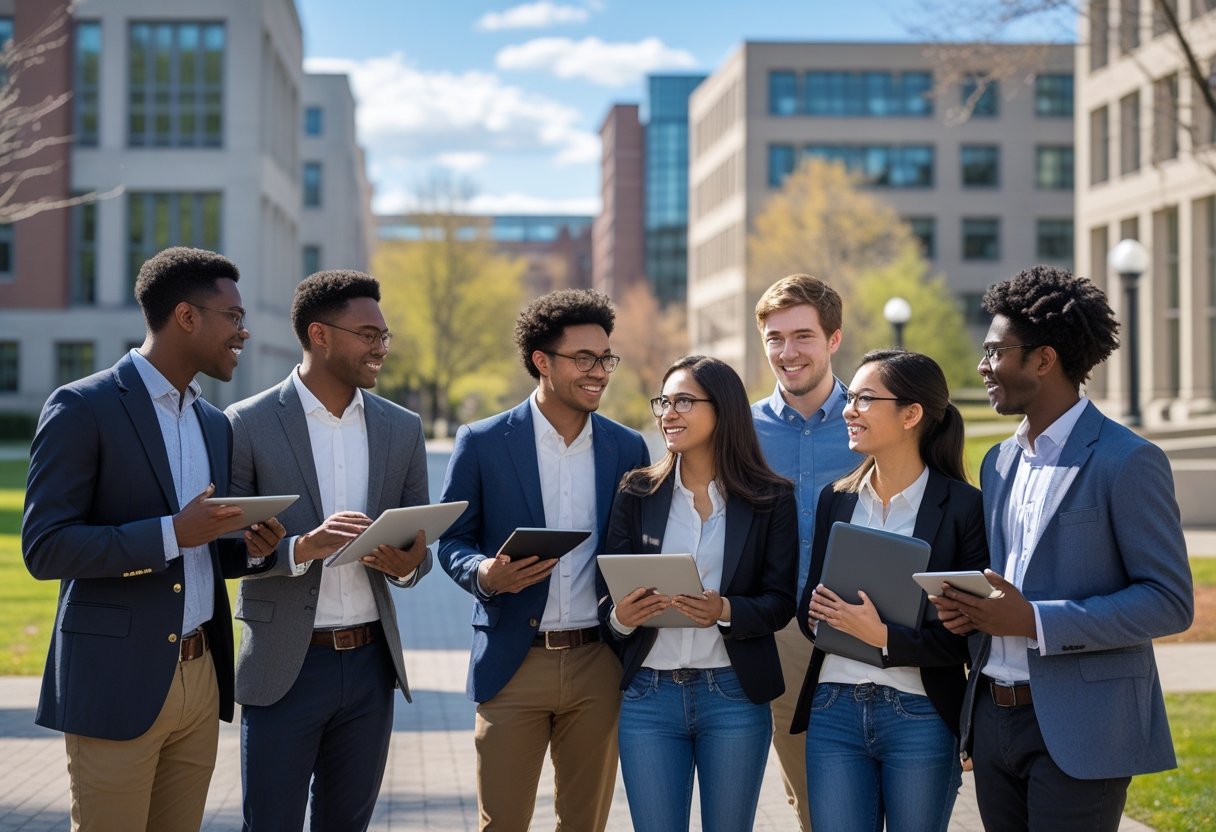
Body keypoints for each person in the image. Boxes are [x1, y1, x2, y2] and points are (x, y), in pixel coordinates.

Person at [21, 246, 285, 832]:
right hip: (116, 683)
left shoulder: (214, 423)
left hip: (199, 680)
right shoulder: (82, 407)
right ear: (186, 317)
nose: (243, 332)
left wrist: (251, 549)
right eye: (233, 318)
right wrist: (172, 532)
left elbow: (205, 549)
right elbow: (46, 548)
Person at [932, 265, 1194, 832]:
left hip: (1084, 728)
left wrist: (1034, 621)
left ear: (1043, 359)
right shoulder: (998, 462)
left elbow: (1169, 601)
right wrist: (971, 612)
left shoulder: (1128, 461)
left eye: (996, 351)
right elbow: (1006, 582)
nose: (983, 366)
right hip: (994, 718)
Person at [225, 270, 431, 831]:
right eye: (368, 334)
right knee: (270, 823)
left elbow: (419, 547)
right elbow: (225, 547)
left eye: (384, 336)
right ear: (320, 334)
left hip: (370, 665)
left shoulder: (402, 428)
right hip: (285, 666)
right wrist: (299, 549)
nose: (381, 347)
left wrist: (410, 564)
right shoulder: (246, 424)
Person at [438, 289, 650, 831]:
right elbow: (451, 540)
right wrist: (483, 573)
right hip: (512, 664)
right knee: (502, 822)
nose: (599, 371)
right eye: (584, 359)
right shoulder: (482, 442)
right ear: (542, 362)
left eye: (605, 358)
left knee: (585, 823)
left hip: (597, 663)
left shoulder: (627, 449)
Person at [789, 349, 986, 832]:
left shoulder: (963, 507)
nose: (848, 410)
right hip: (833, 708)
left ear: (911, 414)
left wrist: (884, 637)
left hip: (920, 716)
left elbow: (971, 634)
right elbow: (809, 607)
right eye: (850, 397)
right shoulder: (835, 499)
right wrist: (815, 614)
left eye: (863, 398)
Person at [604, 355, 797, 832]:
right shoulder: (636, 492)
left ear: (724, 409)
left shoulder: (771, 498)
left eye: (684, 401)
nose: (669, 413)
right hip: (648, 696)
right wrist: (623, 618)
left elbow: (779, 601)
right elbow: (607, 601)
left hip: (733, 694)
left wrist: (725, 609)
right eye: (664, 402)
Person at [750, 273, 862, 829]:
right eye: (775, 338)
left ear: (834, 339)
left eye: (803, 337)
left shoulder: (873, 419)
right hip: (781, 633)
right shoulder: (738, 430)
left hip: (869, 622)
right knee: (814, 797)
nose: (787, 353)